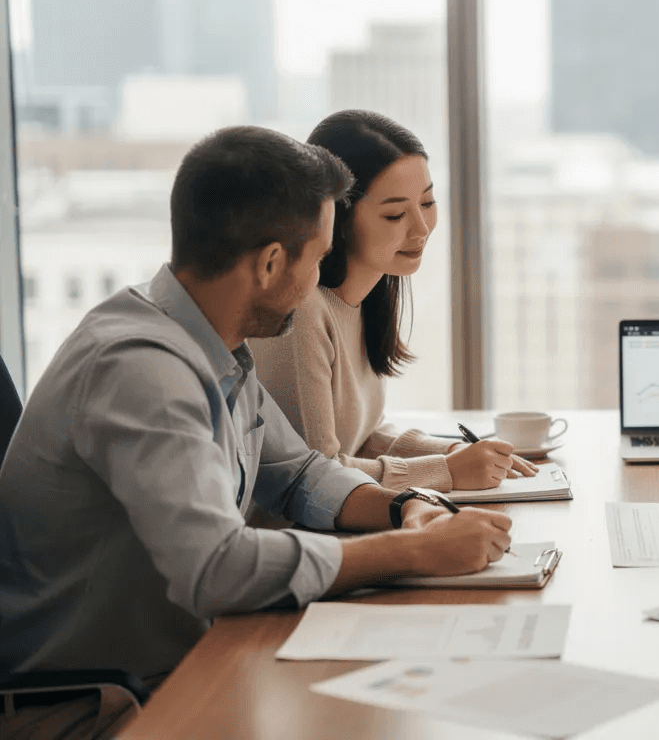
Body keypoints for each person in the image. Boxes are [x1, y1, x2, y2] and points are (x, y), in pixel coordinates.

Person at [0, 126, 512, 740]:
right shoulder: (141, 369)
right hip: (94, 710)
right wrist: (408, 553)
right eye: (318, 258)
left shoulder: (212, 345)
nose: (324, 277)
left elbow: (297, 473)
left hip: (175, 669)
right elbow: (216, 568)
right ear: (271, 263)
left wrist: (403, 509)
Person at [251, 110, 535, 493]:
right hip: (304, 539)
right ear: (337, 216)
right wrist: (446, 470)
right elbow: (317, 476)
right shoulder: (302, 312)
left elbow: (365, 435)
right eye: (396, 214)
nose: (421, 229)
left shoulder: (369, 294)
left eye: (428, 203)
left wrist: (455, 452)